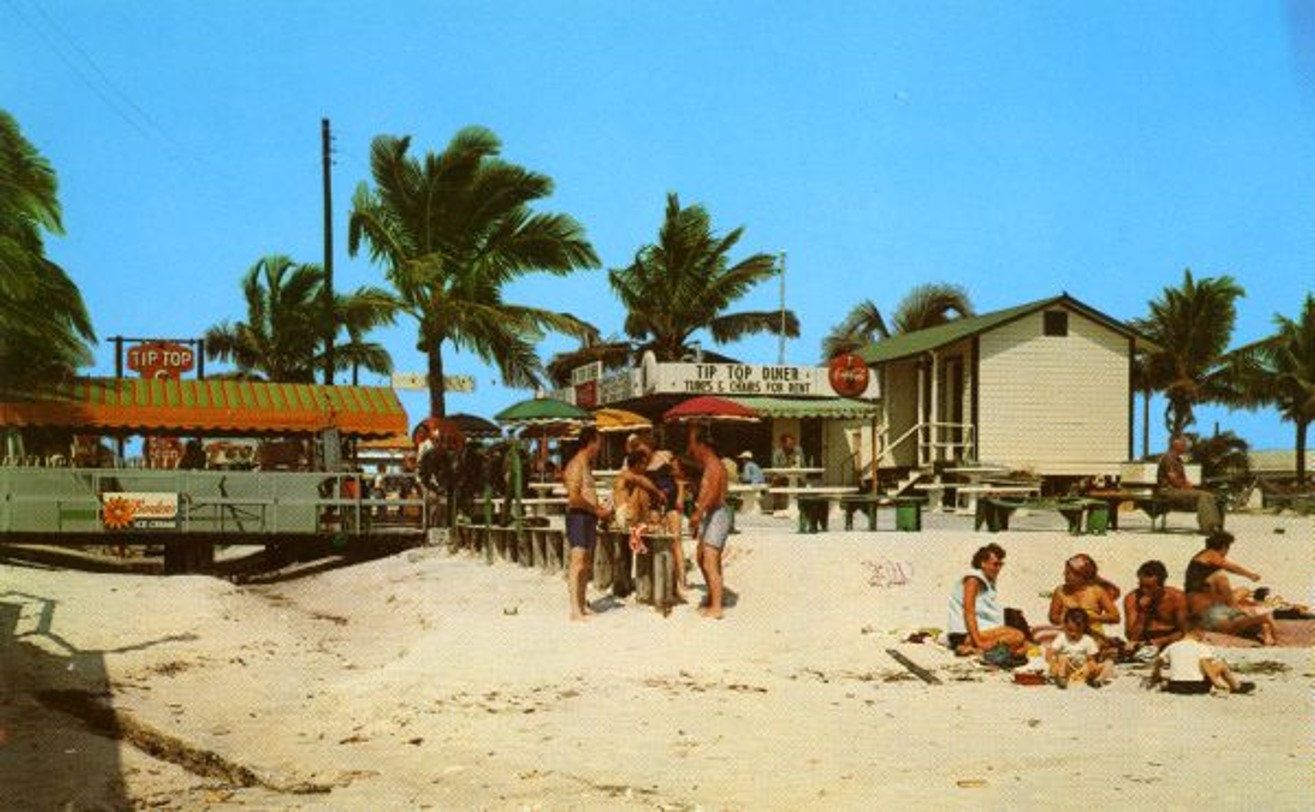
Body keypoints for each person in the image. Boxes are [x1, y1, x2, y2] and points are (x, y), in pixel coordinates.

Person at [1185, 530, 1277, 645]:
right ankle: (1235, 606)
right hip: (1203, 602)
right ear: (1224, 547)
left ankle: (1262, 628)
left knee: (1244, 590)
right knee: (1221, 578)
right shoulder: (1211, 554)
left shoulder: (1203, 555)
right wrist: (1250, 575)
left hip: (1207, 598)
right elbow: (1230, 567)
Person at [563, 426, 614, 621]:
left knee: (586, 562)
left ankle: (582, 604)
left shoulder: (585, 464)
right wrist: (597, 510)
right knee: (577, 562)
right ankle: (575, 609)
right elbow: (574, 498)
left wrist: (599, 508)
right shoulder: (576, 464)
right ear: (591, 442)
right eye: (599, 442)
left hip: (588, 515)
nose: (600, 447)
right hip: (578, 516)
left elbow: (585, 494)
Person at [946, 543, 1028, 656]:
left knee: (1023, 647)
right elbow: (969, 612)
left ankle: (974, 650)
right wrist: (979, 642)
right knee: (1018, 636)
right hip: (963, 634)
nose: (998, 568)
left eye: (1000, 564)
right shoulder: (973, 580)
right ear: (983, 563)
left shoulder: (986, 580)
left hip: (979, 631)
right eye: (995, 564)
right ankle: (979, 649)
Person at [688, 429, 731, 619]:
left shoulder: (714, 465)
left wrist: (697, 513)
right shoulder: (709, 465)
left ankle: (717, 606)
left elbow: (713, 494)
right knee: (700, 557)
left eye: (693, 445)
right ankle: (714, 596)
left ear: (702, 445)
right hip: (711, 514)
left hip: (718, 514)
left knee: (710, 560)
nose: (692, 450)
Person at [1152, 617, 1255, 695]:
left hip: (1175, 686)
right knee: (1221, 664)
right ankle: (1237, 687)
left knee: (1180, 673)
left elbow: (1158, 660)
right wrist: (1216, 682)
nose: (1205, 635)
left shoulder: (1172, 646)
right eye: (1204, 632)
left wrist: (1156, 675)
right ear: (1198, 631)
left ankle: (1164, 685)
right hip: (1197, 687)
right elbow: (1205, 664)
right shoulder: (1201, 647)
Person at [1048, 553, 1121, 646]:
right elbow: (1052, 617)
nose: (1064, 575)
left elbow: (1115, 617)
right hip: (1068, 632)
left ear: (1082, 576)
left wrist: (1091, 618)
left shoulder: (1097, 591)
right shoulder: (1060, 591)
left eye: (1068, 573)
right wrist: (1069, 619)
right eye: (1065, 572)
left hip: (1093, 633)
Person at [1156, 434, 1224, 534]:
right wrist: (1188, 488)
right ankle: (1208, 528)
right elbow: (1174, 479)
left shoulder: (1177, 459)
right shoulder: (1169, 458)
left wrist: (1189, 486)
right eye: (1183, 443)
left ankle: (1216, 526)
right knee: (1203, 495)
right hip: (1169, 491)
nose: (1186, 446)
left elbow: (1182, 480)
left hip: (1177, 490)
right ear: (1175, 444)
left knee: (1212, 496)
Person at [647, 449, 690, 601]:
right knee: (657, 542)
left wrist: (680, 491)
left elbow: (680, 481)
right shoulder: (651, 465)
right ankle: (660, 578)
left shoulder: (670, 461)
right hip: (656, 505)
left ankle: (682, 580)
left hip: (671, 504)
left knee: (676, 542)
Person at [1123, 560, 1188, 653]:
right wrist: (1143, 612)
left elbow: (1184, 631)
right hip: (1144, 642)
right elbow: (1131, 637)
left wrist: (1161, 641)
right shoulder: (1132, 598)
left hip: (1171, 642)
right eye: (1141, 586)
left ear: (1161, 586)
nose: (1144, 591)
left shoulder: (1177, 597)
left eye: (1149, 587)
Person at [1046, 608, 1114, 689]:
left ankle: (1098, 680)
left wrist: (1092, 666)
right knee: (1062, 658)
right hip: (1067, 669)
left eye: (1078, 631)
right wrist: (1053, 663)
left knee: (1108, 663)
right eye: (1070, 630)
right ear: (1064, 625)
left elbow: (1091, 659)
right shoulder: (1062, 638)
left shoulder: (1087, 640)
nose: (1073, 634)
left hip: (1082, 670)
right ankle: (1062, 679)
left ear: (1084, 628)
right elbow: (1050, 653)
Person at [612, 449, 665, 530]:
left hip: (631, 513)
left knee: (643, 491)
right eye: (644, 464)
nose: (646, 467)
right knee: (641, 490)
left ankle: (647, 522)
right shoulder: (625, 475)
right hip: (624, 515)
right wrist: (658, 492)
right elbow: (640, 480)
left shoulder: (633, 479)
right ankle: (645, 523)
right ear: (637, 464)